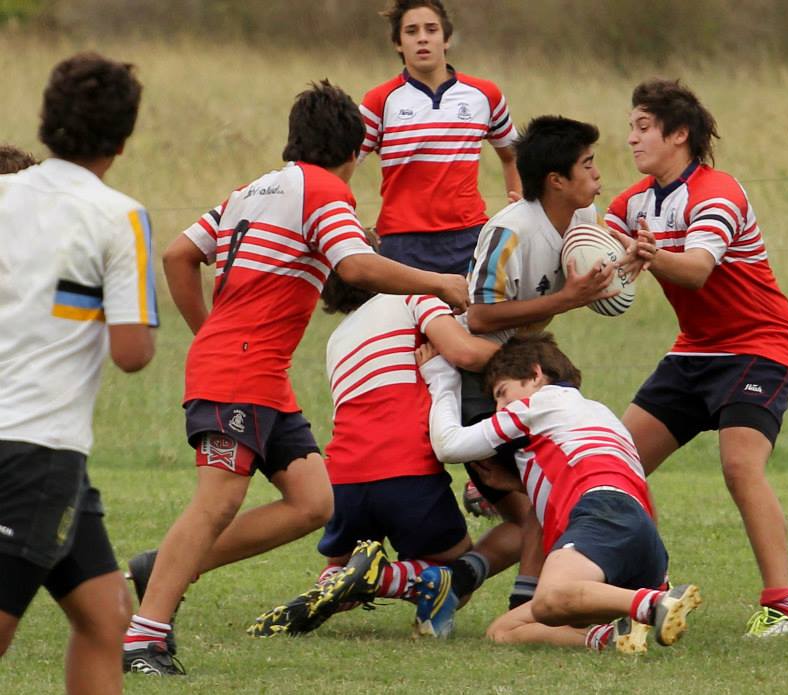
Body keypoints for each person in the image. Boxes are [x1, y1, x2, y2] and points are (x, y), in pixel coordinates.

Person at [122, 80, 470, 677]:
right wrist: (437, 280)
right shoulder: (325, 188)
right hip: (240, 369)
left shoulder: (250, 189)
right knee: (217, 501)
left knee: (314, 501)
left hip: (260, 375)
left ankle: (167, 567)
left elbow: (179, 254)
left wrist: (207, 332)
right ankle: (143, 639)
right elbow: (355, 265)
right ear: (355, 152)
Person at [604, 78, 788, 637]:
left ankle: (784, 608)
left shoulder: (718, 192)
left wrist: (647, 254)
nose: (631, 139)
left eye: (643, 127)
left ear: (679, 134)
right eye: (631, 127)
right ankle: (652, 592)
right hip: (694, 351)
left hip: (760, 346)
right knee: (618, 464)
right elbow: (593, 252)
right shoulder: (632, 203)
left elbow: (696, 270)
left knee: (740, 466)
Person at [0, 52, 156, 695]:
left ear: (47, 121)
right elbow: (132, 352)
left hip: (47, 452)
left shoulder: (6, 192)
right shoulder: (119, 217)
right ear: (123, 138)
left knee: (105, 614)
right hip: (36, 446)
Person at [434, 115, 622, 618]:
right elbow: (479, 315)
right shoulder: (509, 231)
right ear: (556, 180)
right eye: (587, 165)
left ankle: (468, 587)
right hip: (485, 382)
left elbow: (597, 278)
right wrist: (566, 299)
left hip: (525, 369)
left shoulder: (582, 218)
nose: (597, 174)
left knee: (543, 502)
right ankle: (522, 605)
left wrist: (627, 268)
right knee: (541, 502)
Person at [246, 268, 498, 638]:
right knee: (456, 569)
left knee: (341, 561)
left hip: (342, 477)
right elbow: (466, 352)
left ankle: (331, 583)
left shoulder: (337, 339)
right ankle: (382, 578)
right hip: (406, 468)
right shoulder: (413, 297)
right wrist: (529, 357)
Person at [415, 333, 701, 651]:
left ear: (535, 374)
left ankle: (655, 604)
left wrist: (440, 378)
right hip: (639, 536)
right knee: (504, 630)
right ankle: (613, 637)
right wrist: (517, 484)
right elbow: (588, 474)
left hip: (601, 514)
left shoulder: (537, 404)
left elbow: (449, 445)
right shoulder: (598, 414)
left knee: (550, 598)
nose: (499, 407)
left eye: (502, 393)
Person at [359, 0, 521, 275]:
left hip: (470, 238)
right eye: (411, 31)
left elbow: (513, 154)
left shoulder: (485, 95)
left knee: (480, 306)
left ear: (446, 39)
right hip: (401, 243)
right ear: (398, 43)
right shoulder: (379, 101)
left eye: (431, 29)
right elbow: (344, 164)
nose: (422, 38)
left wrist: (519, 211)